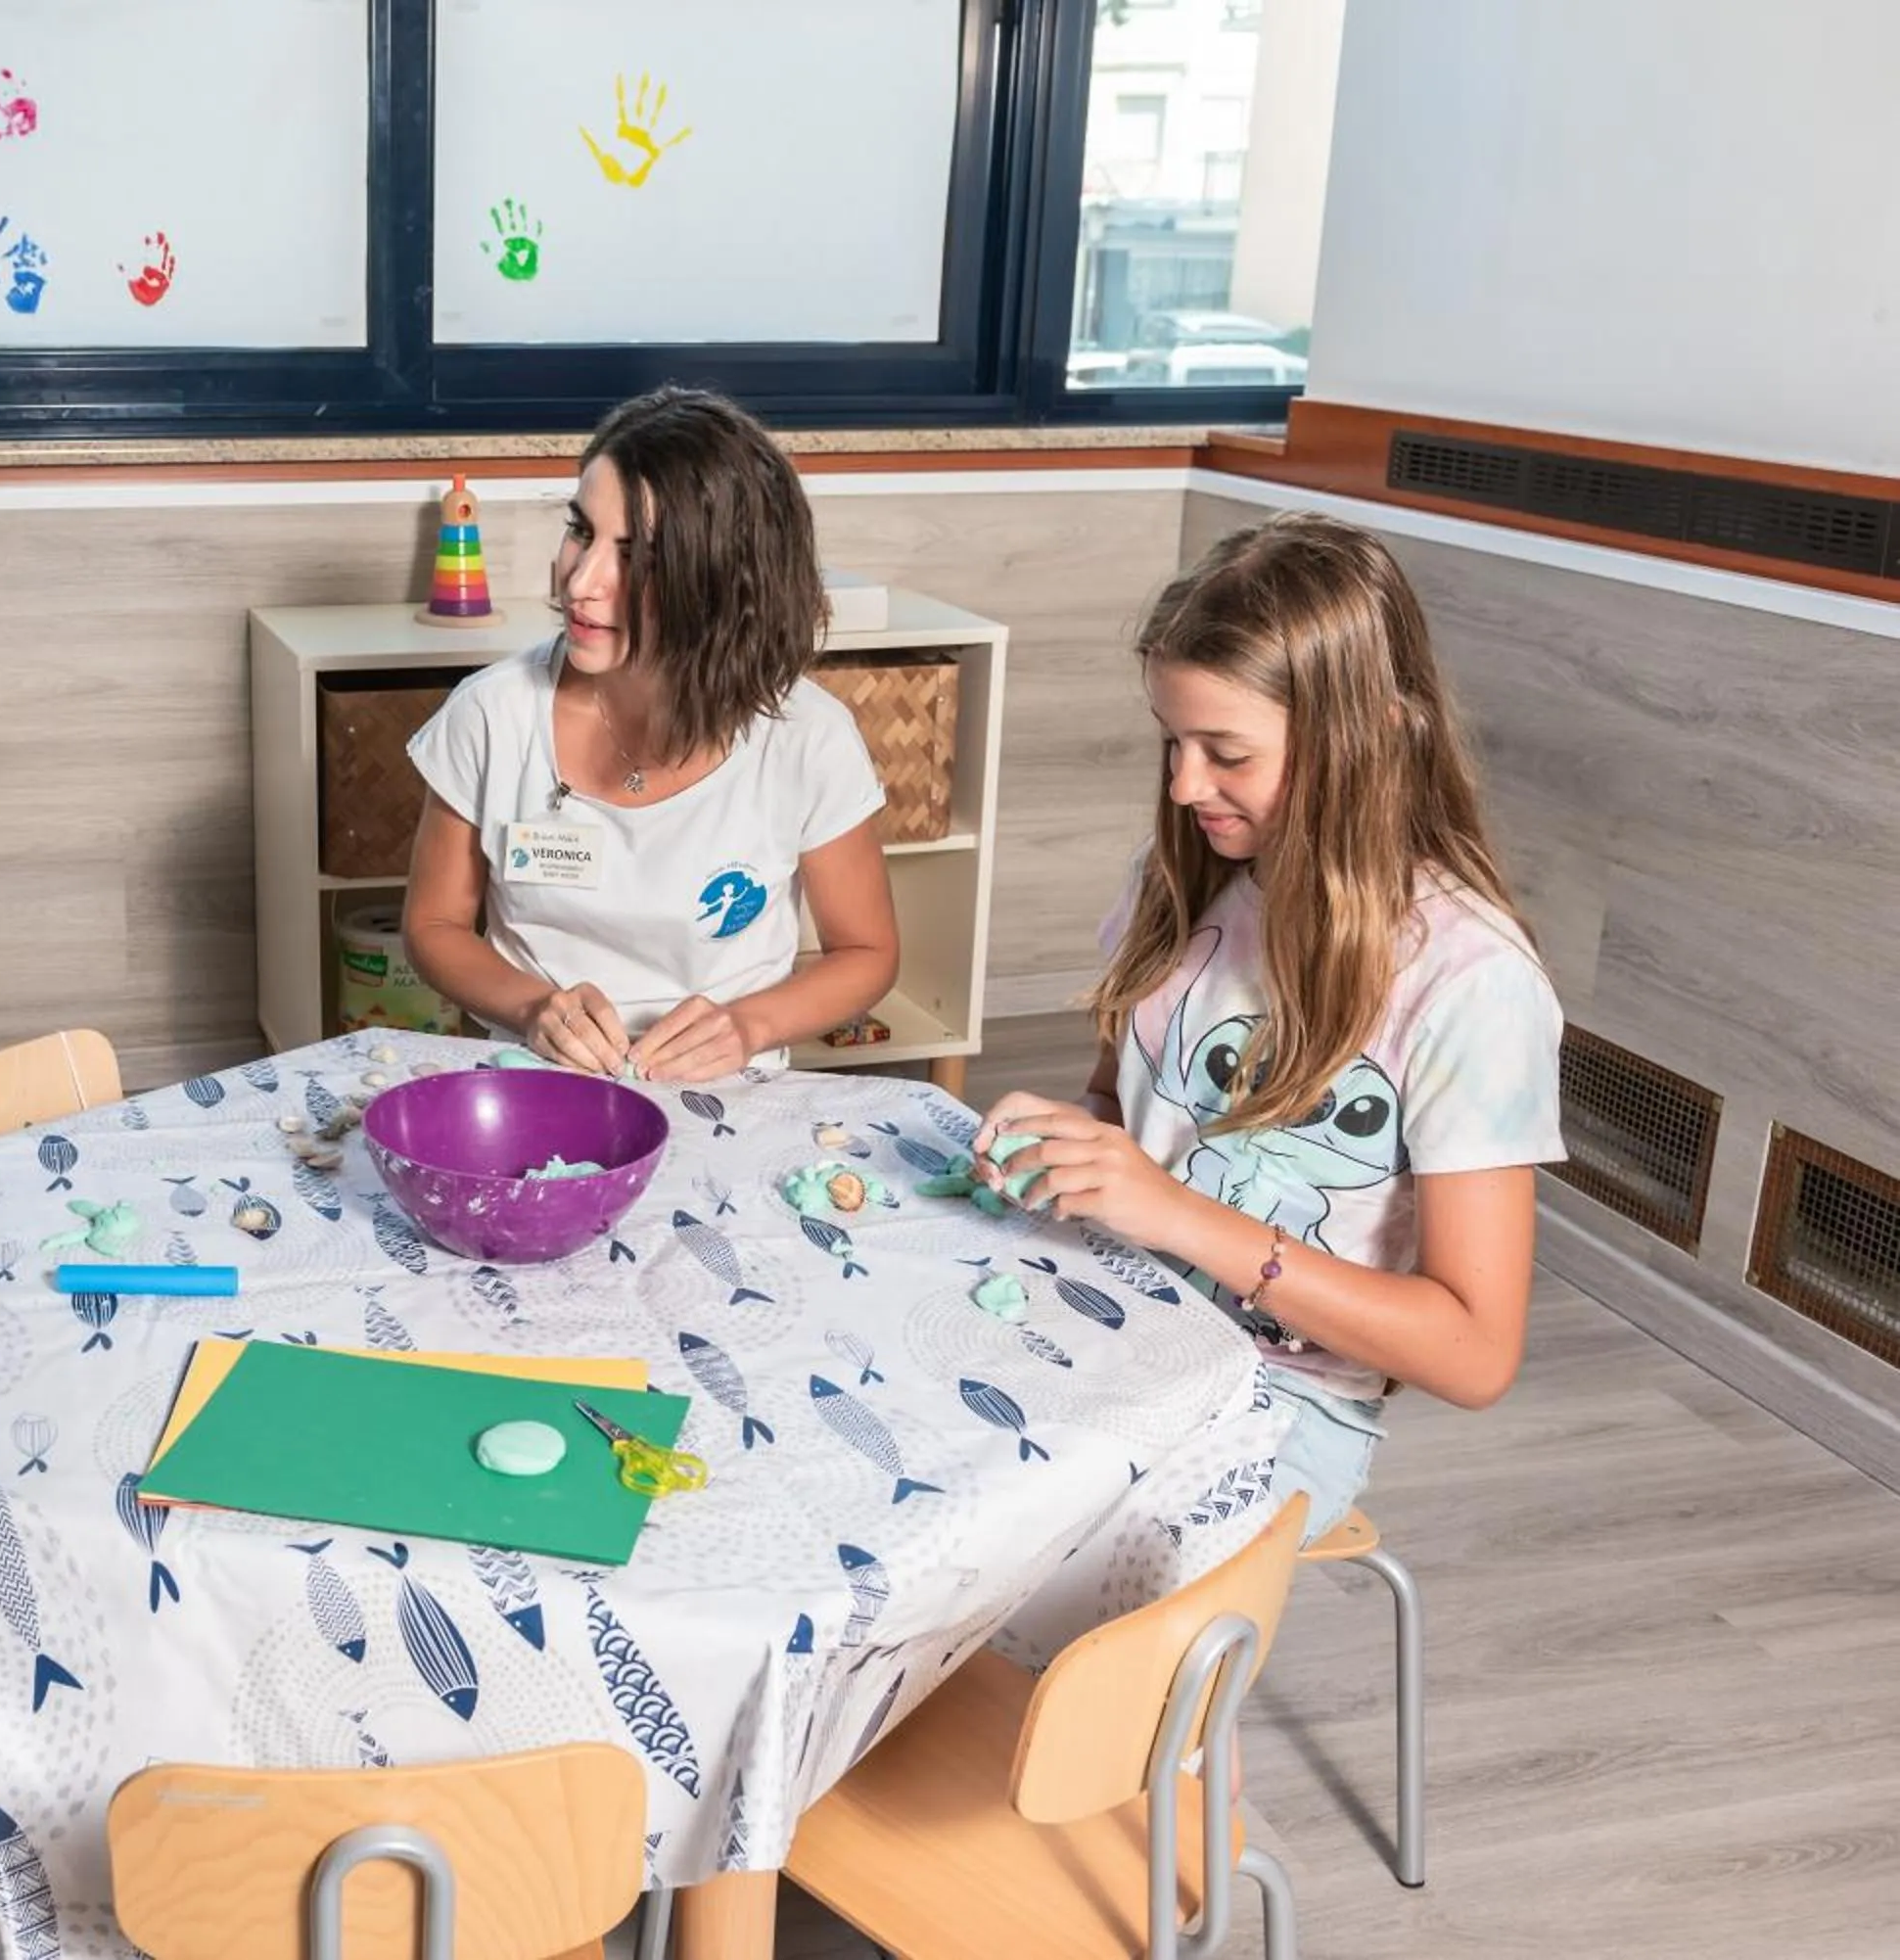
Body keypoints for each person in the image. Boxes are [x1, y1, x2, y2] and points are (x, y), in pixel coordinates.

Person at [972, 513, 1564, 1539]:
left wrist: (1173, 1213)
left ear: (1367, 733)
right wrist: (1070, 1146)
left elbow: (1474, 1353)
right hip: (1115, 1310)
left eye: (1226, 753)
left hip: (1278, 1397)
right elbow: (1126, 1102)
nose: (1184, 785)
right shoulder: (1181, 884)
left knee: (1037, 1565)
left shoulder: (1471, 984)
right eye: (1173, 741)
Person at [400, 386, 899, 1083]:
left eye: (636, 556)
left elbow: (866, 952)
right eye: (581, 531)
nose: (581, 581)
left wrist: (749, 1027)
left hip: (723, 1087)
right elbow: (433, 928)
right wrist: (532, 1007)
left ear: (723, 580)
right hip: (532, 1075)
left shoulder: (808, 738)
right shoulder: (491, 713)